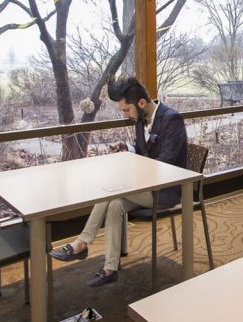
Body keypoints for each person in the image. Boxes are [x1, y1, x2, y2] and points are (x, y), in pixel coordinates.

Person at [50, 77, 188, 287]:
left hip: (167, 189)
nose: (126, 115)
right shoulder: (142, 120)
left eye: (126, 110)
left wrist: (132, 174)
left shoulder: (172, 119)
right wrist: (128, 149)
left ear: (141, 103)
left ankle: (81, 242)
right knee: (114, 205)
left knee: (111, 191)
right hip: (145, 188)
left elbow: (166, 163)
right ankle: (109, 269)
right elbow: (143, 150)